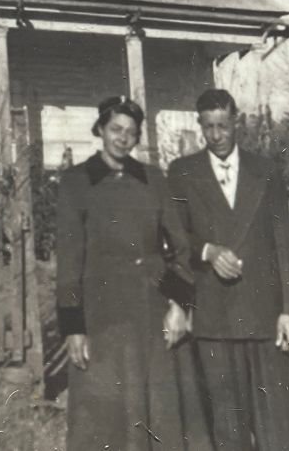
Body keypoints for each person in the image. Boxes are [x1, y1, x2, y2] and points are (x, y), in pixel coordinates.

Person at [57, 96, 208, 450]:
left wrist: (178, 305)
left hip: (152, 311)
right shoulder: (76, 182)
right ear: (100, 130)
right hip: (102, 315)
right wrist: (73, 327)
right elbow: (68, 260)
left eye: (131, 132)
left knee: (161, 411)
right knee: (105, 411)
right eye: (115, 130)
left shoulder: (153, 179)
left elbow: (181, 248)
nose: (123, 138)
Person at [167, 89, 289, 450]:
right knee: (227, 427)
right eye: (208, 126)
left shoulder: (266, 171)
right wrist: (207, 251)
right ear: (199, 125)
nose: (216, 135)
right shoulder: (183, 172)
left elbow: (284, 244)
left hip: (264, 316)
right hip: (213, 319)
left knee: (276, 425)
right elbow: (173, 237)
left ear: (236, 121)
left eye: (223, 125)